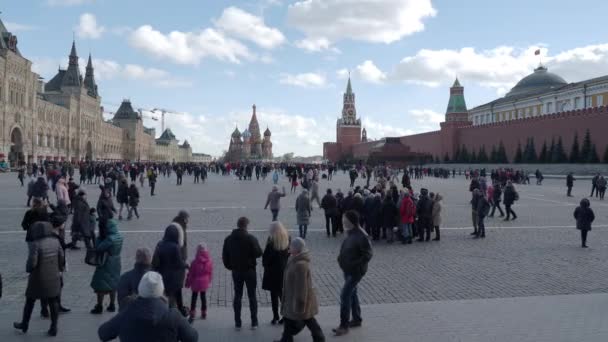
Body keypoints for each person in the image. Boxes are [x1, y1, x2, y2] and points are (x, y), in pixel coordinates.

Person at [98, 271, 198, 342]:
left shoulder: (126, 313)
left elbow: (103, 333)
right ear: (161, 291)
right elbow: (193, 338)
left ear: (140, 290)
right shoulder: (173, 316)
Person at [13, 221, 65, 336]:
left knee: (30, 301)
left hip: (38, 278)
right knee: (53, 301)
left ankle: (24, 324)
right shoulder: (55, 242)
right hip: (53, 276)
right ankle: (54, 327)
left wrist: (28, 269)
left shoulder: (35, 244)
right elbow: (61, 257)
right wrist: (59, 269)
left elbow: (32, 263)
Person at [274, 238, 325, 342]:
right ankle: (286, 339)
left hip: (300, 300)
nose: (289, 247)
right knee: (289, 319)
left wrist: (300, 306)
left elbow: (301, 288)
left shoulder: (300, 265)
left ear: (296, 249)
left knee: (308, 319)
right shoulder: (293, 259)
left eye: (291, 246)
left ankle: (319, 338)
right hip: (291, 297)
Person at [333, 210, 373, 337]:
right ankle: (356, 319)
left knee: (345, 295)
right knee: (353, 294)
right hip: (347, 269)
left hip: (355, 271)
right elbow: (347, 247)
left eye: (345, 220)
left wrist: (353, 264)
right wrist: (340, 258)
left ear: (351, 221)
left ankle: (343, 326)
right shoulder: (350, 232)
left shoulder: (362, 235)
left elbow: (368, 255)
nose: (343, 222)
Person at [222, 217, 263, 330]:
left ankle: (237, 322)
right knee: (252, 296)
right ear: (246, 226)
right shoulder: (250, 238)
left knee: (238, 295)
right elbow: (259, 253)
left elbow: (225, 256)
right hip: (249, 270)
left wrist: (230, 266)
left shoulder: (228, 239)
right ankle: (254, 322)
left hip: (236, 271)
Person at [152, 225, 189, 315]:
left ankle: (166, 310)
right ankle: (179, 311)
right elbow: (179, 263)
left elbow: (155, 261)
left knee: (165, 294)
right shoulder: (175, 247)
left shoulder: (160, 244)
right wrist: (186, 265)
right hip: (174, 277)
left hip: (163, 275)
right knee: (177, 293)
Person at [90, 219, 124, 314]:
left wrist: (98, 238)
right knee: (113, 283)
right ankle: (112, 305)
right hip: (116, 261)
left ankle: (99, 306)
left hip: (107, 262)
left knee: (101, 283)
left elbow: (99, 248)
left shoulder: (109, 239)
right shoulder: (119, 236)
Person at [262, 222, 290, 325]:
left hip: (272, 273)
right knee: (283, 296)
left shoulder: (271, 242)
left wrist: (265, 264)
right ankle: (285, 316)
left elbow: (266, 259)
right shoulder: (288, 239)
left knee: (274, 297)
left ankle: (275, 317)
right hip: (284, 271)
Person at [185, 243, 213, 323]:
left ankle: (192, 312)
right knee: (203, 297)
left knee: (194, 297)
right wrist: (209, 281)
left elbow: (191, 274)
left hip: (195, 283)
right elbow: (210, 273)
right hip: (205, 282)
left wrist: (187, 283)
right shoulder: (209, 261)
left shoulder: (194, 262)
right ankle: (204, 312)